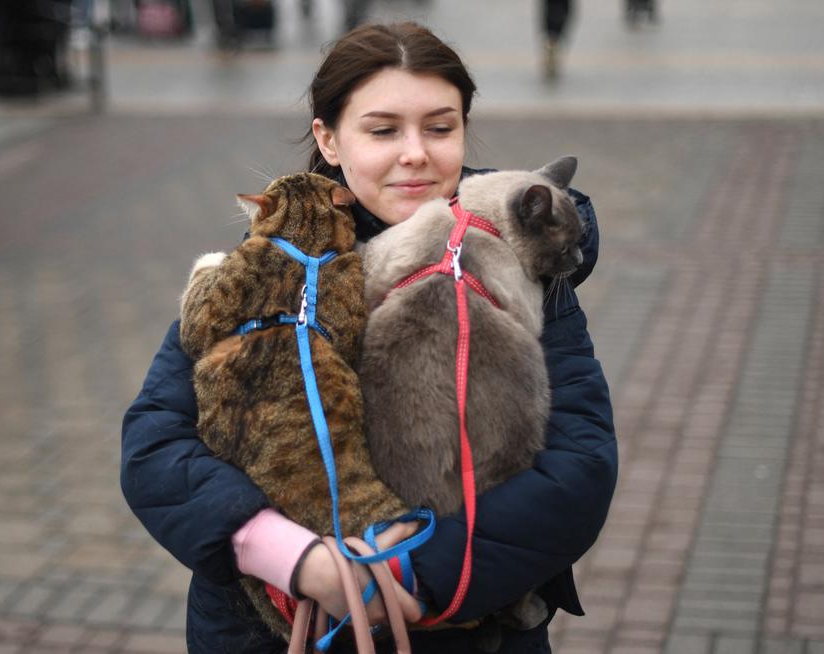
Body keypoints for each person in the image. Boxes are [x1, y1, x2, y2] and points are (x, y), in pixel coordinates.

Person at [121, 21, 617, 654]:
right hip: (271, 631)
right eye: (383, 130)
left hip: (469, 626)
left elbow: (580, 467)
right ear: (329, 139)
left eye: (440, 128)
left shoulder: (520, 268)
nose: (415, 153)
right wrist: (287, 555)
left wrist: (419, 571)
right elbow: (154, 446)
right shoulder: (268, 267)